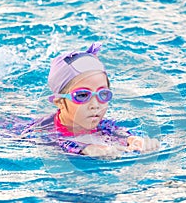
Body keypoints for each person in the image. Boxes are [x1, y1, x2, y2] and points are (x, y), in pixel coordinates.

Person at [21, 42, 159, 157]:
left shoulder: (101, 125)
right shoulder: (42, 130)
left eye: (103, 94)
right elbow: (54, 141)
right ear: (60, 102)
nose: (95, 105)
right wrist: (84, 149)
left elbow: (116, 131)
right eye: (82, 95)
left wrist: (133, 140)